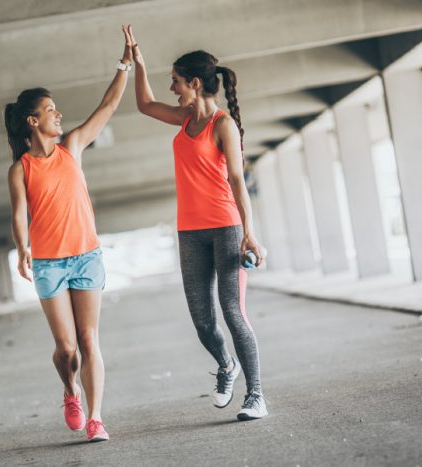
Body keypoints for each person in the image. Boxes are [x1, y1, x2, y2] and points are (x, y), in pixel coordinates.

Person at [125, 26, 268, 420]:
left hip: (226, 228)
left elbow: (237, 182)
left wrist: (250, 236)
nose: (171, 88)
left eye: (175, 81)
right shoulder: (184, 118)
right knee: (203, 322)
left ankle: (256, 396)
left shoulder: (223, 125)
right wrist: (138, 64)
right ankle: (227, 366)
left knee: (232, 311)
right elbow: (144, 105)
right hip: (189, 232)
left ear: (194, 82)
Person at [5, 26, 134, 442]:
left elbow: (108, 106)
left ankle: (96, 419)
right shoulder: (20, 168)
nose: (58, 115)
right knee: (67, 350)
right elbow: (20, 213)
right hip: (48, 264)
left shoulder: (74, 146)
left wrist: (123, 64)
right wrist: (23, 249)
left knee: (89, 339)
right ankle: (69, 389)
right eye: (51, 110)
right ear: (33, 120)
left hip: (86, 257)